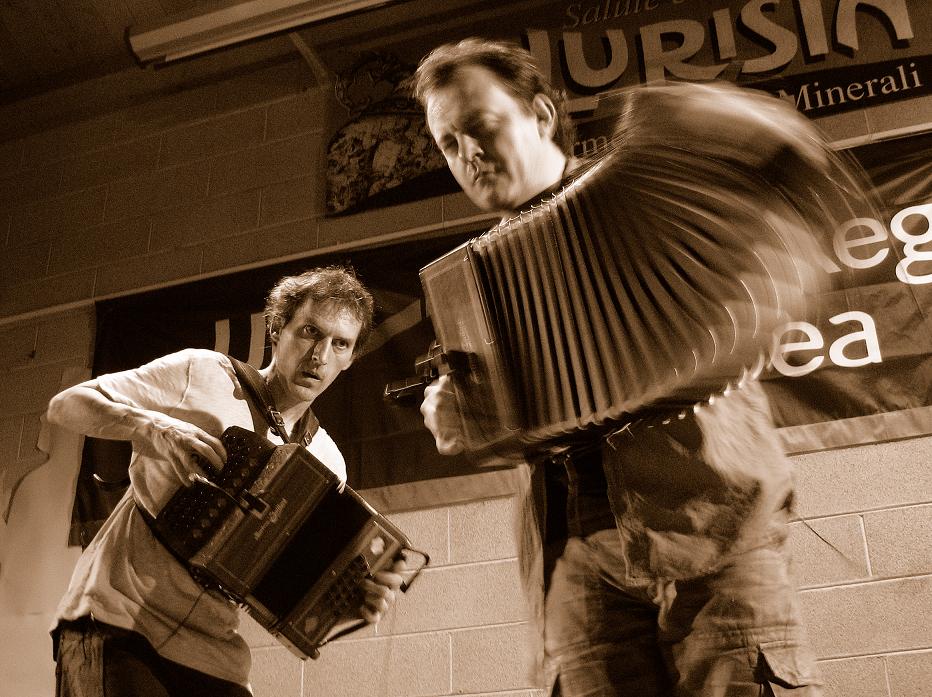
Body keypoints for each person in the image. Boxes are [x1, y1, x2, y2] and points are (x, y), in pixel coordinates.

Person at [411, 38, 822, 696]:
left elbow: (769, 138)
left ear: (542, 114)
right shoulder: (476, 280)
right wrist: (462, 417)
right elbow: (514, 428)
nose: (469, 155)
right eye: (449, 143)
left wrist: (682, 112)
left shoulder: (642, 191)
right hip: (576, 566)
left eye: (480, 126)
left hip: (711, 537)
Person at [46, 265, 406, 697]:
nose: (320, 355)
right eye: (311, 331)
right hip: (116, 621)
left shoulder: (328, 464)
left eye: (340, 343)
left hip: (212, 653)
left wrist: (344, 601)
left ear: (349, 359)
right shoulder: (205, 372)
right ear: (277, 329)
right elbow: (67, 405)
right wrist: (153, 427)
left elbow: (283, 587)